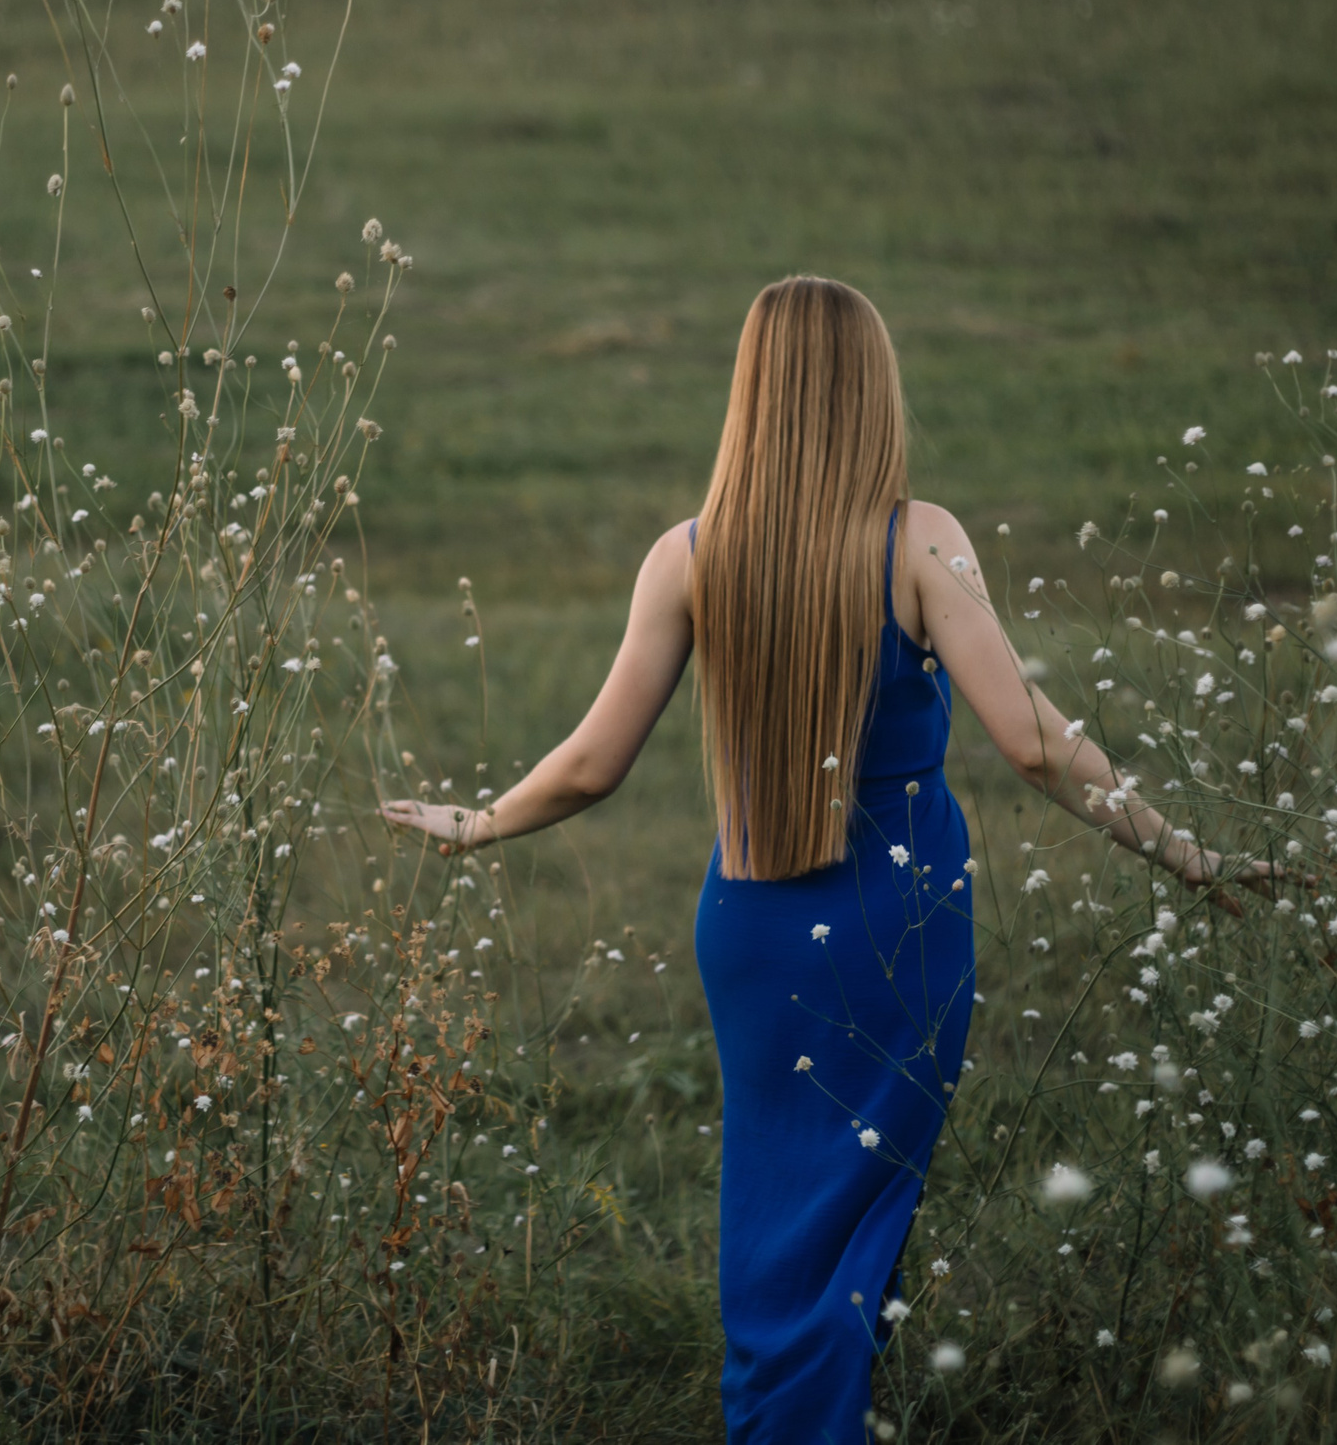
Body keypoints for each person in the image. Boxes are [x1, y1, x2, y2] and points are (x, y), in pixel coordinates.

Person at [380, 276, 1266, 1443]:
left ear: (751, 394)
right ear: (870, 392)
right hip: (894, 927)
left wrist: (485, 822)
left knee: (776, 1217)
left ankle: (790, 1417)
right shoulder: (919, 542)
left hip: (750, 929)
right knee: (856, 1212)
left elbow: (595, 763)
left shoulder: (688, 557)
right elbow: (1034, 745)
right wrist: (1185, 856)